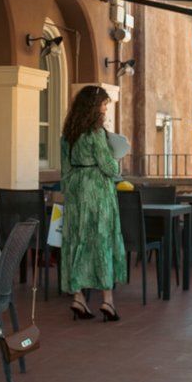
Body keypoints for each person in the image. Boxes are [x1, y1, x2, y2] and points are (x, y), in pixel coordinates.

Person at [59, 85, 125, 321]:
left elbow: (64, 171)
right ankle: (107, 301)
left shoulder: (68, 136)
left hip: (75, 193)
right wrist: (116, 158)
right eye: (104, 104)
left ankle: (78, 297)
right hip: (98, 193)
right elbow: (109, 168)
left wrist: (74, 189)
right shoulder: (96, 134)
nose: (105, 108)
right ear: (93, 106)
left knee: (76, 241)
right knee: (101, 241)